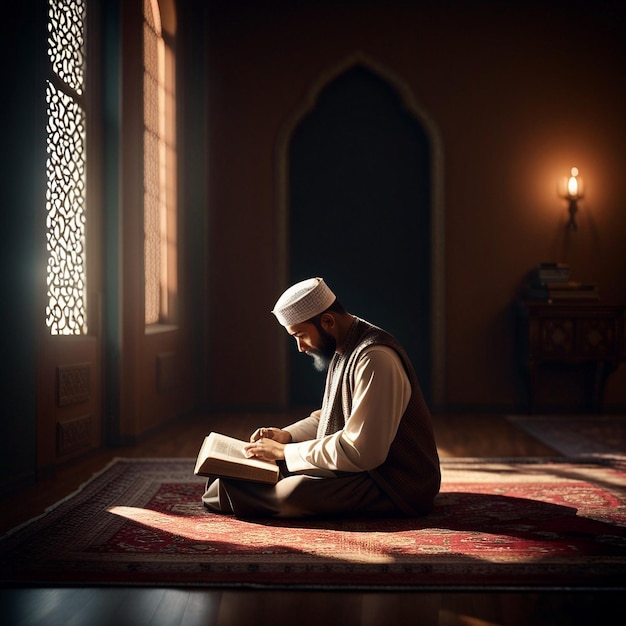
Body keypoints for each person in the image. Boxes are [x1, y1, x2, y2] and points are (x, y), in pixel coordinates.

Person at [202, 277, 441, 518]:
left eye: (300, 335)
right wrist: (287, 436)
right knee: (266, 477)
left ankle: (232, 491)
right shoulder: (344, 346)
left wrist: (285, 452)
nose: (300, 347)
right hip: (365, 469)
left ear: (327, 321)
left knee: (290, 493)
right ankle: (231, 489)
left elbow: (363, 452)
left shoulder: (375, 359)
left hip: (394, 482)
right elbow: (334, 417)